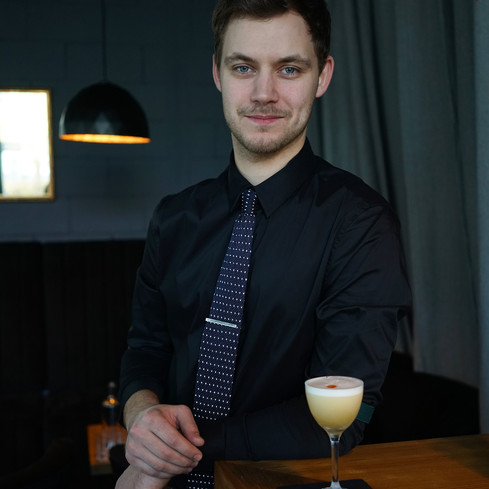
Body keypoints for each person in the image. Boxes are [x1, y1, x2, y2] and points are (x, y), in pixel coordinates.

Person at [115, 0, 412, 488]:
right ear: (218, 73)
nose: (263, 93)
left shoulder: (362, 224)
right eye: (243, 67)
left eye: (289, 69)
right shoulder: (174, 218)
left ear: (322, 76)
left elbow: (338, 416)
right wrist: (141, 416)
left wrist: (167, 455)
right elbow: (145, 350)